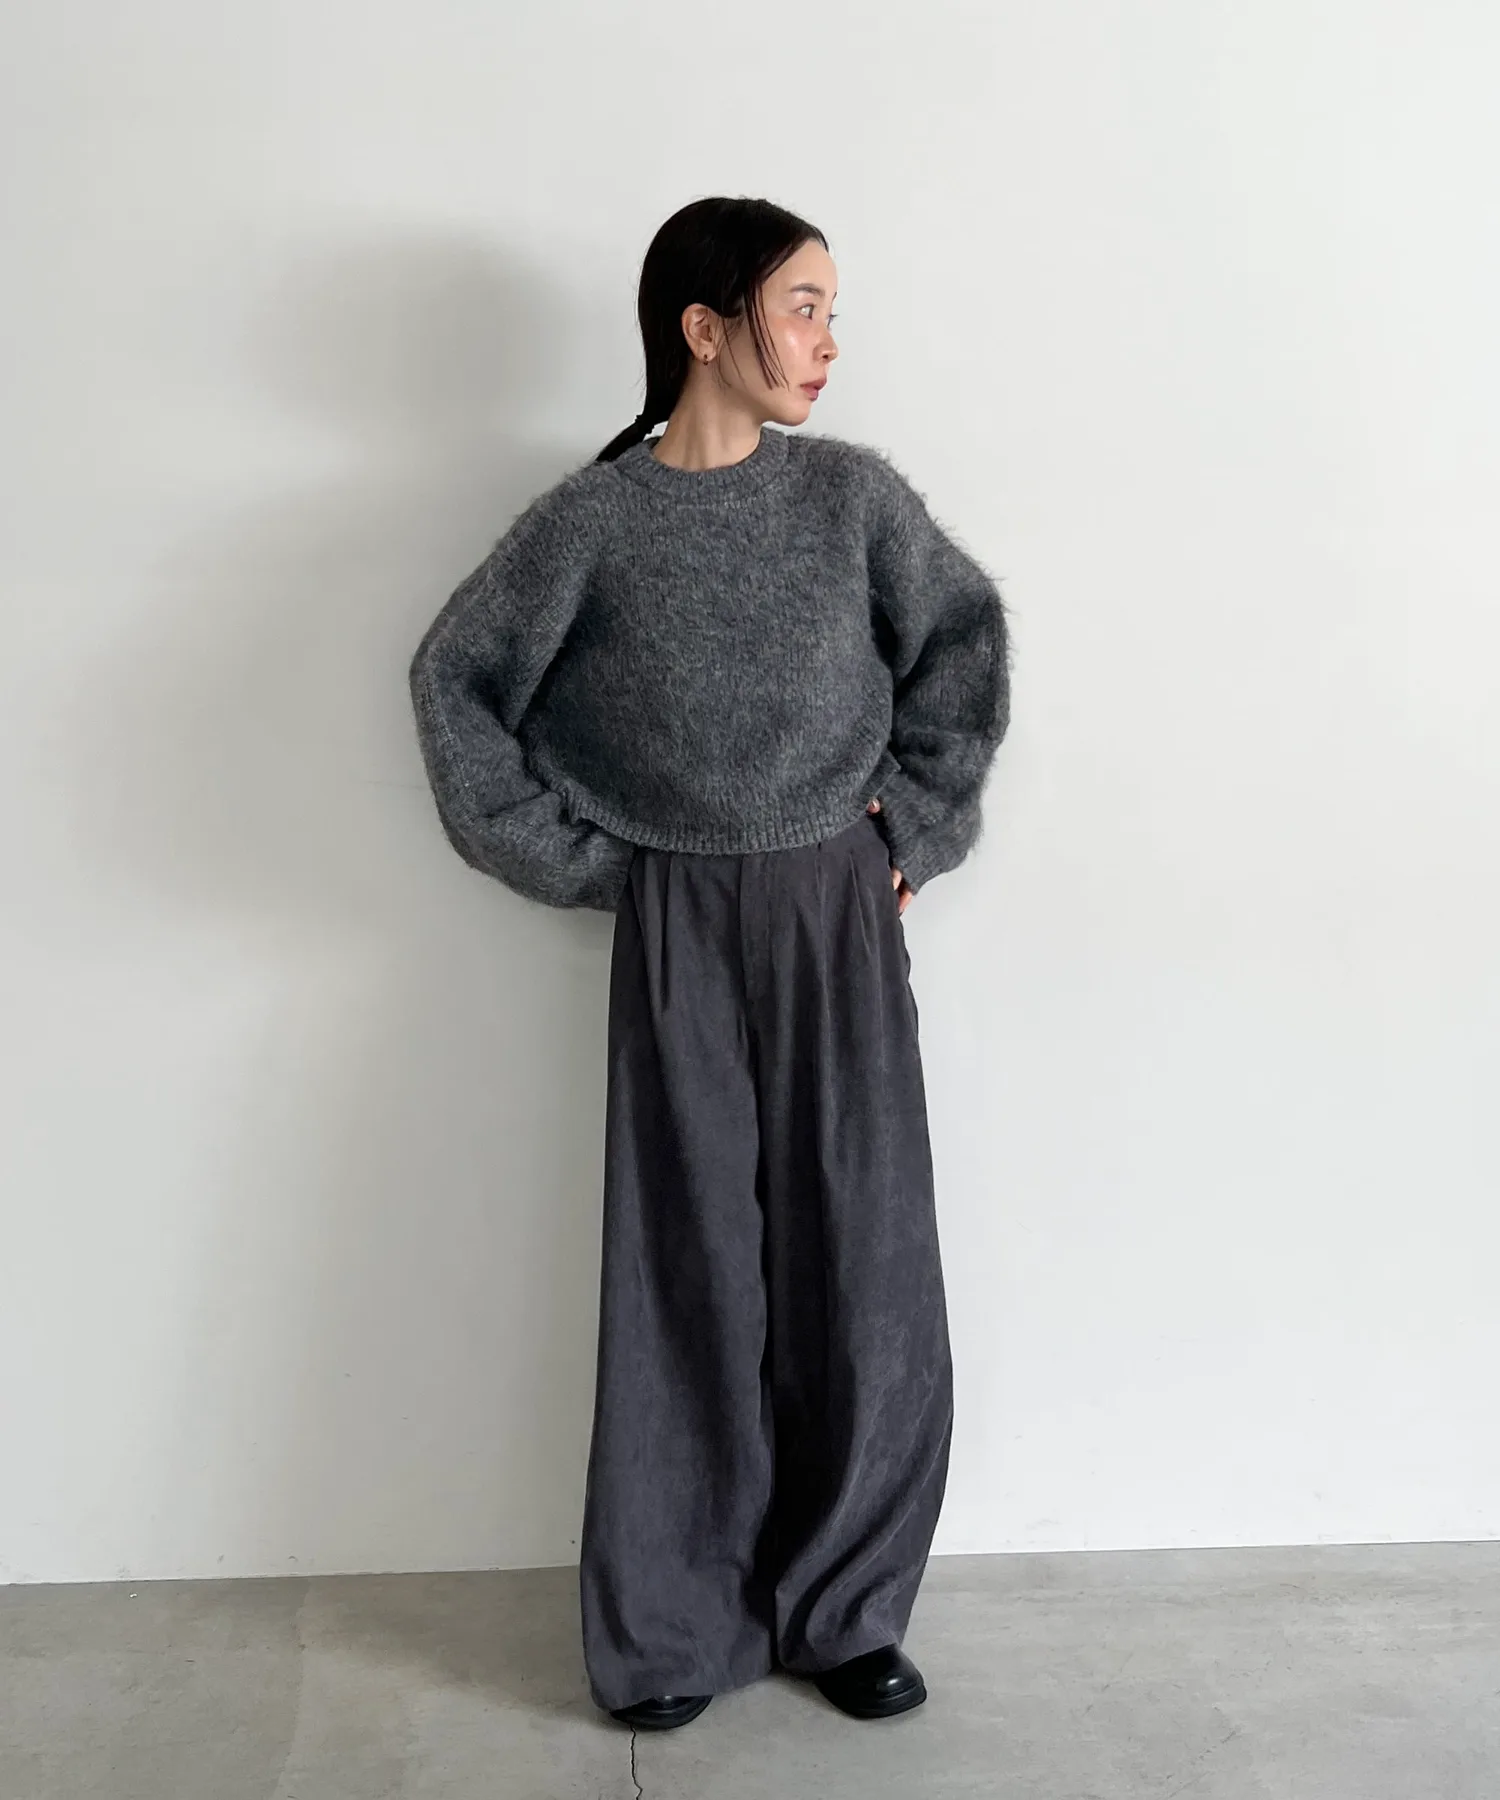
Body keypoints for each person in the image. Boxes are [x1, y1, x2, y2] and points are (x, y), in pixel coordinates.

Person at [407, 196, 1013, 1730]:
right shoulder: (592, 527)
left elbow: (963, 643)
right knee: (686, 1270)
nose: (827, 341)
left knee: (863, 1262)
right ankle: (676, 1623)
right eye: (802, 306)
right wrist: (592, 864)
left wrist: (914, 828)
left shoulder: (853, 503)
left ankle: (848, 1611)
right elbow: (457, 683)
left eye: (830, 312)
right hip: (675, 920)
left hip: (835, 912)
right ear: (705, 326)